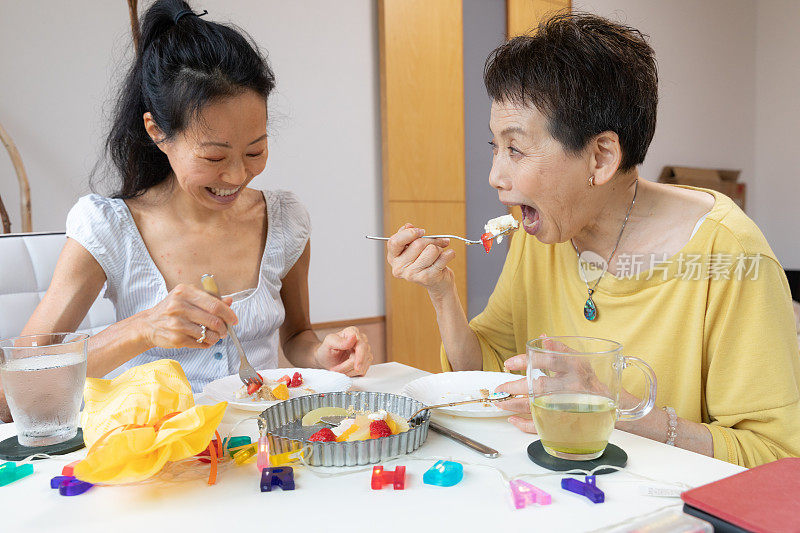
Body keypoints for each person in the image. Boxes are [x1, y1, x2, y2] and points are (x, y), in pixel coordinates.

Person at [385, 13, 800, 467]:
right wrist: (442, 293)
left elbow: (774, 458)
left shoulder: (732, 254)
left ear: (600, 157)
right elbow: (490, 378)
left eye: (516, 148)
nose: (494, 177)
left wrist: (612, 405)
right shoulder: (543, 233)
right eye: (495, 147)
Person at [0, 0, 372, 422]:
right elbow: (12, 391)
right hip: (154, 459)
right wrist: (141, 328)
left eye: (255, 151)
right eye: (214, 158)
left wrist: (323, 353)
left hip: (265, 452)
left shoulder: (283, 220)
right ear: (157, 133)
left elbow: (298, 336)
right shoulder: (108, 228)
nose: (236, 176)